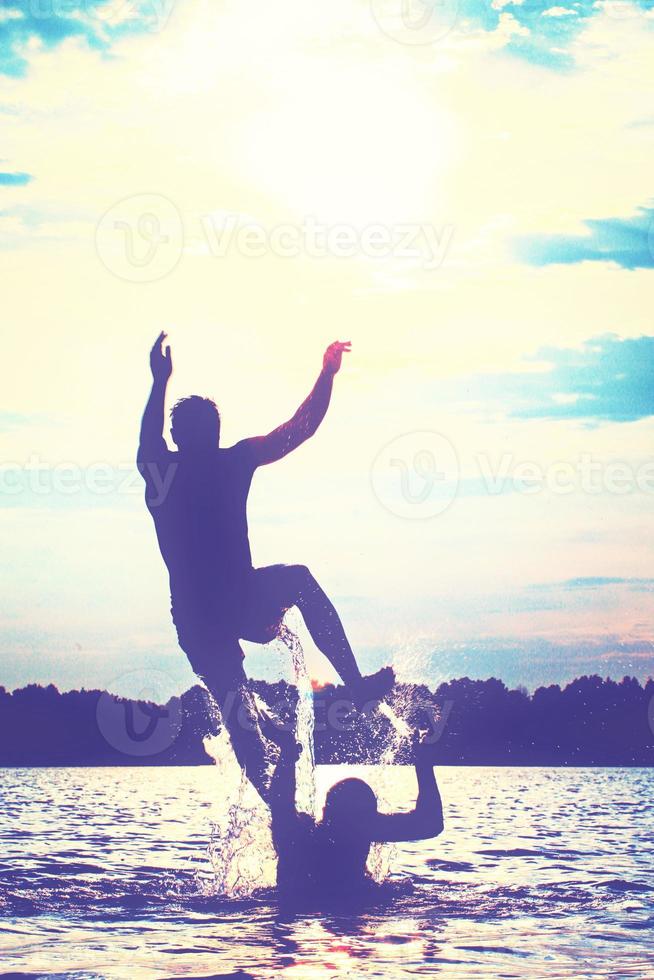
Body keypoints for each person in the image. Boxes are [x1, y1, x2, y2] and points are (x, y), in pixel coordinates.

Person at [138, 332, 395, 799]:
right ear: (200, 435)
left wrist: (159, 382)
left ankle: (290, 807)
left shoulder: (169, 468)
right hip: (223, 609)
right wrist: (327, 374)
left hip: (213, 611)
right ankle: (286, 809)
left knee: (243, 722)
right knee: (243, 716)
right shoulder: (207, 464)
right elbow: (300, 428)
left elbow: (298, 429)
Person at [268, 726, 444, 905]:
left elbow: (280, 802)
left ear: (325, 811)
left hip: (294, 906)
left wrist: (287, 756)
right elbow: (430, 824)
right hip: (352, 902)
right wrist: (424, 767)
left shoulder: (296, 836)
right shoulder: (361, 830)